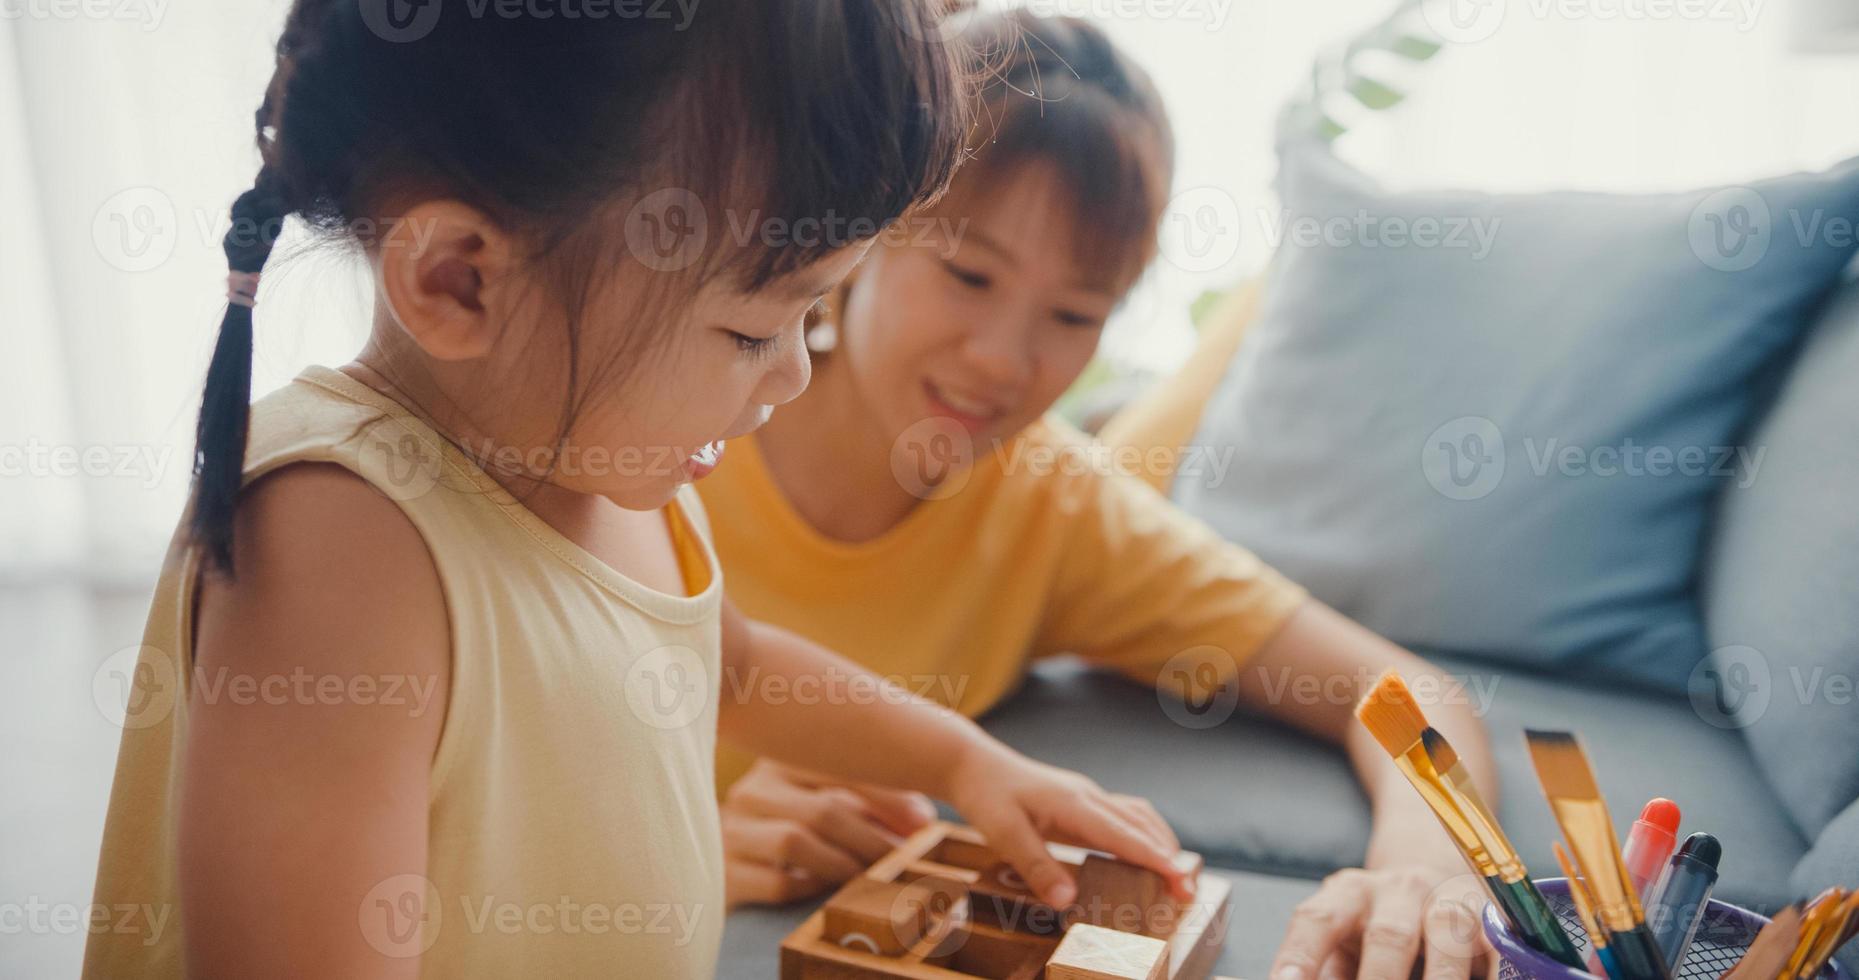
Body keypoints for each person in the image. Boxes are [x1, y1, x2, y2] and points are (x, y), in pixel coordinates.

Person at [82, 4, 1193, 976]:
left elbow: (729, 663)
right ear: (457, 278)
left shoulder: (602, 455)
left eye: (811, 315)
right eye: (753, 326)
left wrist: (968, 762)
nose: (794, 371)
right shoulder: (342, 539)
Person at [698, 12, 1500, 980]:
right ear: (861, 233)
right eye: (966, 273)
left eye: (1073, 314)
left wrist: (1422, 868)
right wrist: (691, 841)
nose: (1001, 358)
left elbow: (1406, 692)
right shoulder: (669, 431)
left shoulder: (1051, 504)